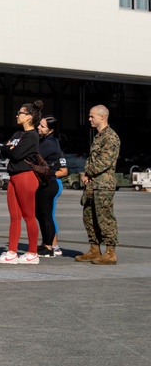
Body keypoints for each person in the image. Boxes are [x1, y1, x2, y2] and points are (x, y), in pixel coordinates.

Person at [0, 100, 43, 264]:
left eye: (20, 113)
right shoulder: (17, 135)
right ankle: (12, 251)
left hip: (26, 176)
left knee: (29, 215)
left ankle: (33, 252)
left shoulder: (32, 135)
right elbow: (5, 150)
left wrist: (10, 149)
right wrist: (9, 149)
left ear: (29, 117)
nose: (17, 115)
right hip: (14, 176)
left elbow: (14, 154)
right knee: (14, 216)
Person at [75, 105, 121, 265]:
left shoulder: (111, 137)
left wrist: (87, 173)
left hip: (103, 185)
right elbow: (93, 159)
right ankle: (94, 249)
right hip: (93, 184)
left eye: (91, 116)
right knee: (89, 217)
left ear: (102, 117)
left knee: (105, 218)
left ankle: (110, 252)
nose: (89, 119)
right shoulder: (98, 136)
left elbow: (104, 162)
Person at [35, 116, 68, 257]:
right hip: (45, 183)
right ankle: (46, 244)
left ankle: (50, 246)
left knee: (46, 215)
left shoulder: (49, 143)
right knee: (41, 214)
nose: (39, 127)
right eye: (39, 125)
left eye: (42, 126)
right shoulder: (46, 141)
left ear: (51, 130)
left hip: (49, 184)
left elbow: (33, 156)